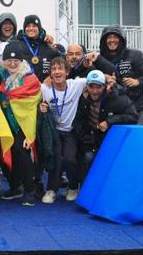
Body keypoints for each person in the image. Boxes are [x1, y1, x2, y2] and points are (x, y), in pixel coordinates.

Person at [0, 42, 40, 206]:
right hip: (8, 122)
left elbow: (32, 103)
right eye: (9, 60)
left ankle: (29, 190)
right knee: (5, 152)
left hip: (25, 123)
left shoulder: (29, 77)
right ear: (4, 61)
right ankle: (15, 186)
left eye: (16, 60)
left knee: (22, 153)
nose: (12, 63)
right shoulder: (2, 74)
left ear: (21, 61)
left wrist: (31, 132)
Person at [72, 70, 138, 182]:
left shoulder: (118, 98)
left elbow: (133, 116)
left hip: (112, 141)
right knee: (87, 158)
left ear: (105, 86)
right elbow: (78, 122)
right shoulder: (82, 98)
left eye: (98, 87)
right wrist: (86, 139)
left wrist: (109, 121)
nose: (94, 91)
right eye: (91, 86)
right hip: (91, 140)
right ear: (86, 86)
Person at [39, 57, 88, 204]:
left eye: (60, 69)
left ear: (67, 72)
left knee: (69, 159)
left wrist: (109, 79)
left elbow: (96, 77)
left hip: (70, 131)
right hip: (54, 131)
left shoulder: (77, 84)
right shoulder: (44, 88)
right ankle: (51, 190)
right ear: (50, 74)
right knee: (55, 159)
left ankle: (73, 187)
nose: (57, 72)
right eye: (53, 69)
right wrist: (41, 108)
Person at [99, 26, 143, 123]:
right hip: (110, 111)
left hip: (134, 108)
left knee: (134, 137)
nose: (112, 40)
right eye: (109, 37)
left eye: (115, 37)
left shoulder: (135, 55)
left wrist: (138, 81)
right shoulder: (100, 59)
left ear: (122, 39)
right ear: (104, 40)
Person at [16, 15, 60, 82]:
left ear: (39, 28)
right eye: (28, 26)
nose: (31, 28)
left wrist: (51, 77)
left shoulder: (47, 43)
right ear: (24, 29)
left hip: (45, 87)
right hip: (24, 88)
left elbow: (61, 61)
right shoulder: (17, 44)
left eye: (34, 26)